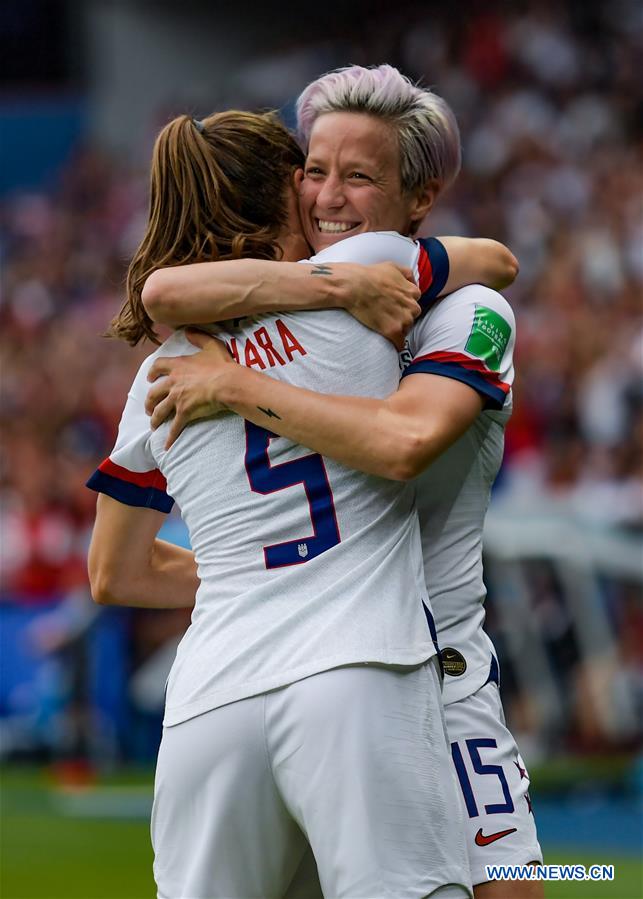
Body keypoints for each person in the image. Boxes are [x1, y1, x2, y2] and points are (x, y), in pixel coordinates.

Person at [142, 66, 543, 898]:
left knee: (511, 885)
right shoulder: (296, 304)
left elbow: (402, 440)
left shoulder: (466, 313)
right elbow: (161, 292)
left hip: (439, 675)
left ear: (419, 195)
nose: (327, 196)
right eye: (312, 171)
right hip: (337, 670)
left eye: (357, 176)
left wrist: (238, 386)